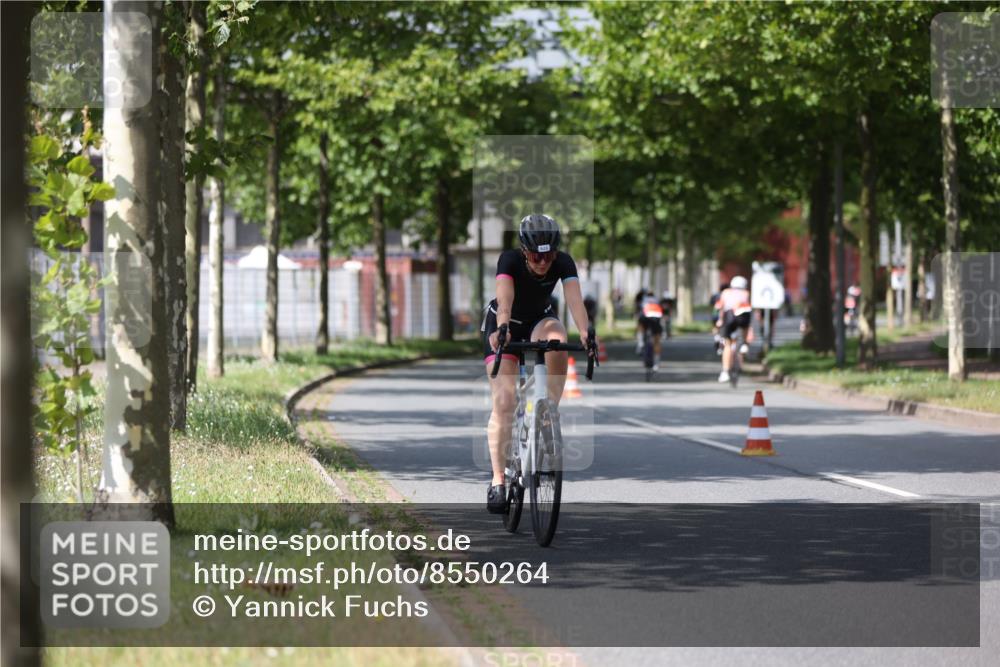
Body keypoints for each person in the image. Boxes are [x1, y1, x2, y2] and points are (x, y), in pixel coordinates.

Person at [482, 214, 596, 514]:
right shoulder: (508, 260)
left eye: (549, 255)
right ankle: (498, 481)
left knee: (557, 338)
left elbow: (574, 300)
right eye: (536, 256)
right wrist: (503, 329)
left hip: (539, 320)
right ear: (524, 251)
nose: (543, 262)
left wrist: (586, 333)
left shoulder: (564, 262)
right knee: (505, 401)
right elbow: (504, 301)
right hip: (503, 325)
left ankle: (548, 412)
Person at [715, 275, 752, 383]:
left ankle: (725, 372)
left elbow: (721, 308)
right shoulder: (746, 293)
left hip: (729, 317)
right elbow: (749, 309)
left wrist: (720, 320)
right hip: (742, 318)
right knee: (745, 323)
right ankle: (744, 343)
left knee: (727, 344)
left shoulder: (725, 292)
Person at [636, 291, 664, 370]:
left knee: (640, 325)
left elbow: (639, 310)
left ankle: (640, 342)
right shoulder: (657, 300)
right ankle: (657, 363)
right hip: (656, 317)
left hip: (646, 316)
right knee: (657, 341)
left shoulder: (644, 299)